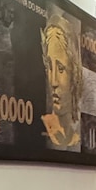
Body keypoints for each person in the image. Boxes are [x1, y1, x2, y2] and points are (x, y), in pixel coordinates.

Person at [40, 12, 82, 150]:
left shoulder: (77, 136)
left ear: (74, 74)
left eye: (61, 68)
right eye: (49, 67)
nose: (53, 82)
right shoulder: (42, 127)